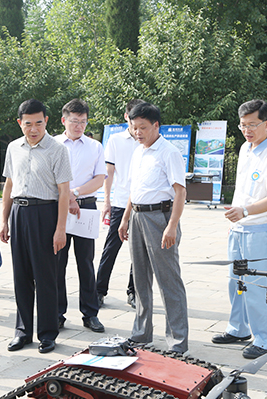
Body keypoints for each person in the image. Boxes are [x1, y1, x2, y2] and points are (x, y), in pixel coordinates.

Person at [212, 99, 267, 359]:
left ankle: (266, 340)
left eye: (253, 125)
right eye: (243, 125)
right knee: (235, 282)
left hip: (261, 229)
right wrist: (237, 220)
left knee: (257, 285)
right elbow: (243, 190)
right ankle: (238, 329)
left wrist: (245, 212)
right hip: (240, 229)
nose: (247, 130)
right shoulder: (246, 148)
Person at [0, 99, 72, 354]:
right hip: (19, 214)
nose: (33, 129)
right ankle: (22, 332)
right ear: (20, 123)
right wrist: (4, 220)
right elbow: (9, 184)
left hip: (46, 214)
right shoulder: (13, 148)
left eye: (38, 123)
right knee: (21, 276)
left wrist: (60, 228)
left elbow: (64, 192)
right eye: (28, 124)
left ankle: (48, 333)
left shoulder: (57, 149)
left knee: (46, 277)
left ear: (46, 121)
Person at [118, 102, 189, 354]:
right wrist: (126, 218)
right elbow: (133, 189)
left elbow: (180, 192)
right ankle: (141, 333)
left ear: (156, 125)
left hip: (161, 218)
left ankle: (177, 342)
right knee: (140, 280)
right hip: (137, 217)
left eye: (143, 128)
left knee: (168, 281)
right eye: (133, 127)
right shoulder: (138, 151)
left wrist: (172, 226)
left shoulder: (168, 152)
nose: (137, 132)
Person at [55, 99, 106, 333]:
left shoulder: (94, 147)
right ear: (64, 120)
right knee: (57, 262)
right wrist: (67, 198)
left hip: (86, 208)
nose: (79, 126)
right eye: (74, 121)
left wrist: (73, 193)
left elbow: (99, 178)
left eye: (83, 122)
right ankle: (57, 313)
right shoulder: (52, 144)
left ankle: (90, 313)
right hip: (57, 210)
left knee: (86, 262)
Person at [96, 99, 144, 309]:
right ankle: (99, 290)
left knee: (139, 250)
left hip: (142, 202)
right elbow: (109, 172)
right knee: (111, 248)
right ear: (127, 117)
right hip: (120, 202)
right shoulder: (116, 140)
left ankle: (133, 291)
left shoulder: (147, 139)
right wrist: (106, 200)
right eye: (133, 117)